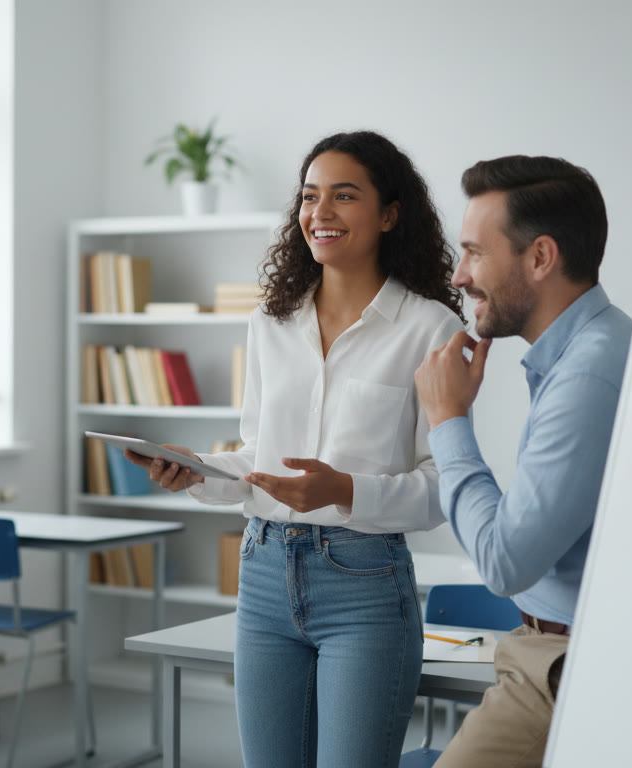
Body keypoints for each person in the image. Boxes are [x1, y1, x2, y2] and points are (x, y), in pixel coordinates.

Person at [125, 130, 465, 767]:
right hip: (261, 577)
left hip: (363, 586)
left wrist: (343, 491)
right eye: (310, 196)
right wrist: (195, 471)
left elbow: (444, 486)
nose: (320, 212)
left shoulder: (430, 328)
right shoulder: (270, 323)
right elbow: (260, 459)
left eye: (344, 195)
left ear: (390, 214)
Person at [413, 155, 632, 767]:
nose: (459, 276)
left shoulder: (588, 374)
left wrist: (448, 420)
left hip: (559, 667)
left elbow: (504, 562)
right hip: (546, 648)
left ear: (539, 258)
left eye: (474, 253)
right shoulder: (592, 351)